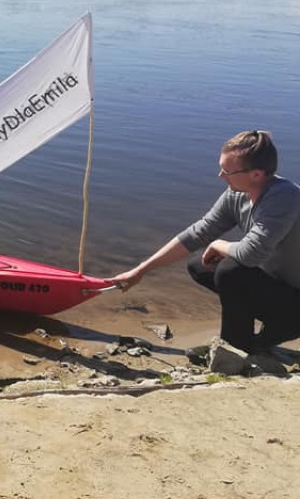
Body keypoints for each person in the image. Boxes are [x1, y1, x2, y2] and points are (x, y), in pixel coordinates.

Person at [109, 130, 300, 355]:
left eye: (227, 171)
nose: (220, 175)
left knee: (230, 269)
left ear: (257, 174)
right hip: (279, 289)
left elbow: (251, 254)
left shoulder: (284, 197)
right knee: (201, 266)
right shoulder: (237, 194)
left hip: (294, 298)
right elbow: (197, 233)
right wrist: (141, 271)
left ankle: (234, 351)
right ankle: (262, 336)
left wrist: (219, 245)